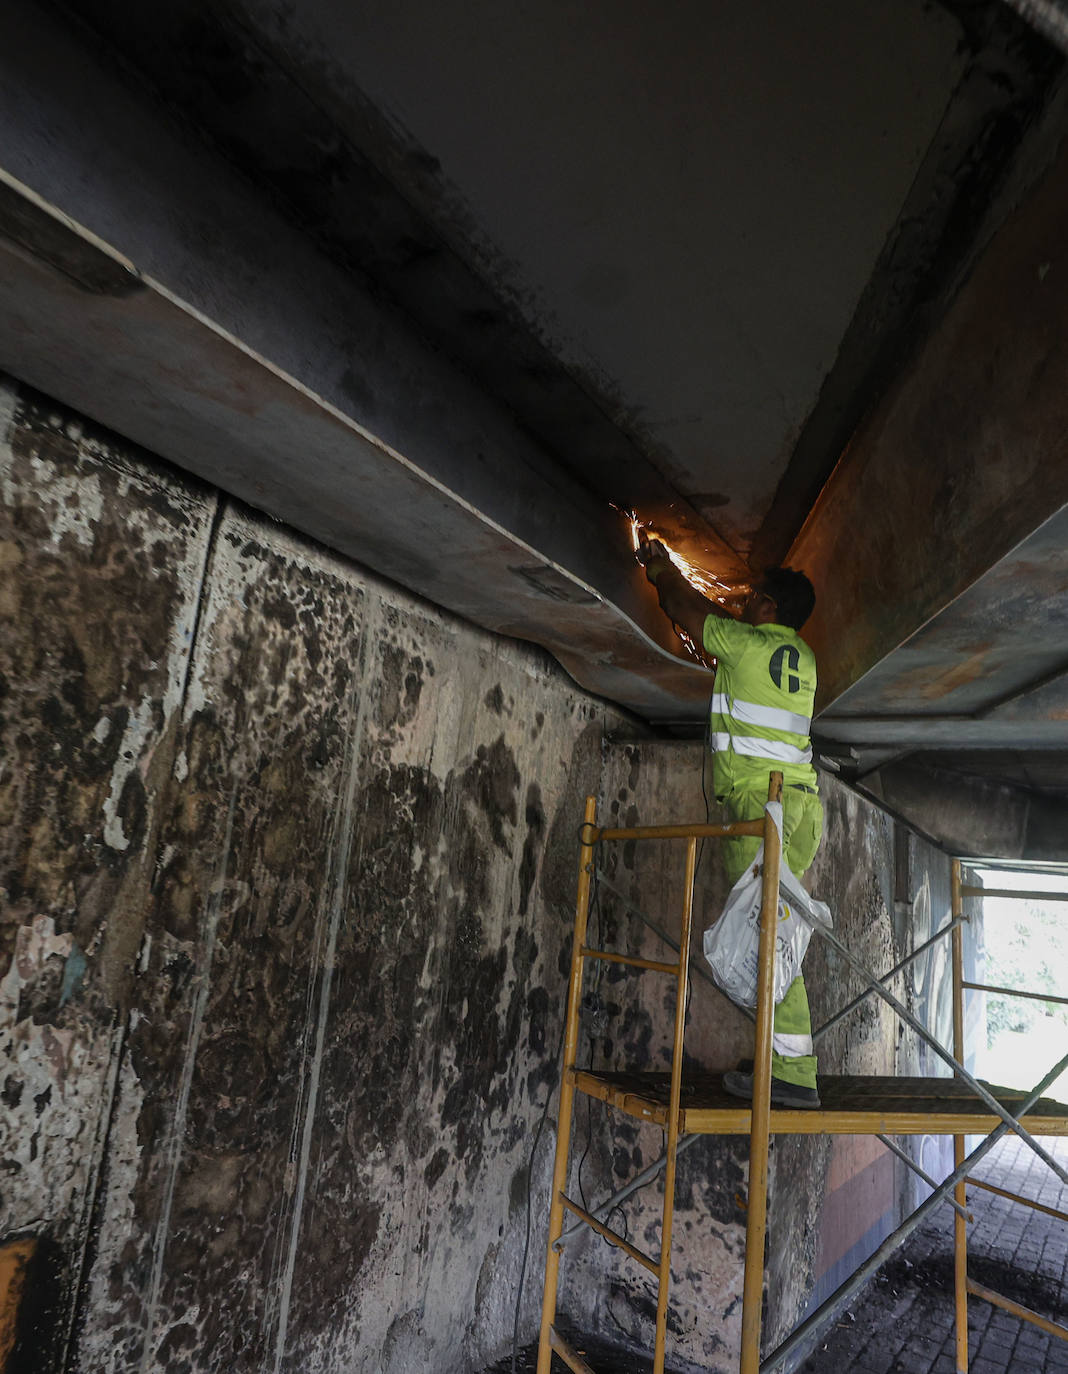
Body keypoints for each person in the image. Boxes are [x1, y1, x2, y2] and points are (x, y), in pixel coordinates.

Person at [637, 537, 823, 1108]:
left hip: (762, 808)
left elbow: (687, 613)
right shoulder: (805, 659)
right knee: (771, 929)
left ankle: (794, 1073)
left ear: (768, 609)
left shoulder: (744, 645)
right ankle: (780, 1061)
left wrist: (659, 565)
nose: (741, 605)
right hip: (798, 808)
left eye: (751, 599)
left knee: (768, 937)